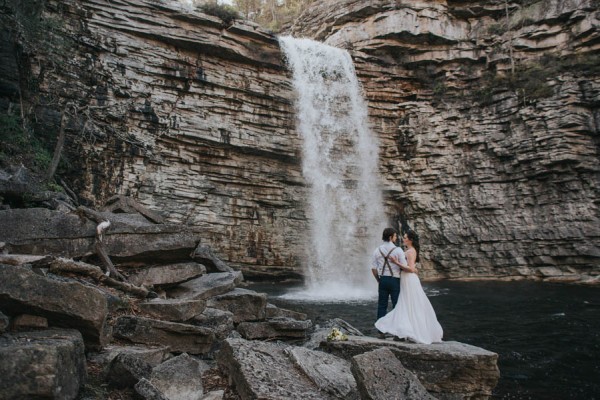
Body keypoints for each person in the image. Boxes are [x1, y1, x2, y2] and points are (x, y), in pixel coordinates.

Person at [375, 229, 443, 344]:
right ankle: (403, 332)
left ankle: (406, 332)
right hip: (404, 279)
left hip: (409, 280)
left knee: (409, 304)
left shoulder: (411, 251)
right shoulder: (406, 250)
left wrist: (396, 262)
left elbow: (411, 269)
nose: (403, 239)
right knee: (406, 304)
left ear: (410, 240)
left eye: (405, 237)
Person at [371, 227, 415, 338]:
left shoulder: (377, 250)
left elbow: (373, 268)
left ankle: (381, 332)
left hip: (383, 280)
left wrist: (379, 280)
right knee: (397, 305)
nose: (396, 238)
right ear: (391, 237)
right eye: (395, 236)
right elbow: (405, 266)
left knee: (382, 305)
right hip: (395, 280)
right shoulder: (398, 250)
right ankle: (398, 334)